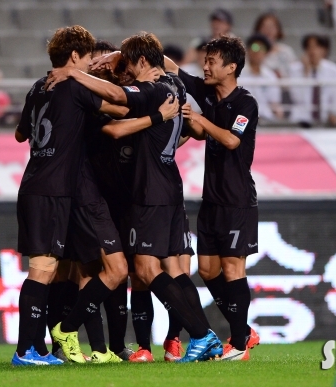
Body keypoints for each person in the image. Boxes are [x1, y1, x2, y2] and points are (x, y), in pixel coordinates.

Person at [47, 32, 224, 363]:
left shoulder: (149, 91)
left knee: (144, 268)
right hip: (171, 187)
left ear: (142, 62)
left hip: (149, 193)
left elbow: (116, 96)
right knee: (173, 268)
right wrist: (117, 52)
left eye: (127, 63)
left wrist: (73, 72)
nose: (122, 70)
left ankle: (202, 335)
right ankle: (203, 337)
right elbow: (164, 68)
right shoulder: (175, 85)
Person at [12, 25, 130, 366]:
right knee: (43, 269)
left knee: (48, 270)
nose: (91, 63)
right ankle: (25, 351)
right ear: (75, 56)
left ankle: (38, 349)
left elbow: (21, 134)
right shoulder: (76, 87)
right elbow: (121, 108)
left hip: (34, 182)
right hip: (53, 189)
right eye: (89, 57)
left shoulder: (38, 87)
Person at [162, 36, 261, 361]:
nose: (205, 66)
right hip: (212, 200)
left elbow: (232, 140)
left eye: (213, 61)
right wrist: (133, 52)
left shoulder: (245, 103)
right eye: (205, 60)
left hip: (237, 201)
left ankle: (240, 343)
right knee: (207, 269)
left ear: (231, 67)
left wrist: (202, 122)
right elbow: (175, 69)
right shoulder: (206, 91)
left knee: (233, 269)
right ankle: (243, 329)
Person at [289, 34, 336, 128]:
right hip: (300, 119)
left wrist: (334, 113)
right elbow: (297, 98)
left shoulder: (333, 69)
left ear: (324, 50)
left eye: (316, 46)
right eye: (309, 47)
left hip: (325, 119)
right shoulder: (294, 69)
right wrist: (306, 72)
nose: (312, 51)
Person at [241, 34, 283, 122]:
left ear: (266, 53)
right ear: (247, 50)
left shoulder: (270, 76)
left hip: (266, 120)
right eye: (255, 47)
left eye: (262, 48)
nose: (258, 51)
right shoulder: (237, 74)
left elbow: (274, 103)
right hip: (242, 121)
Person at [253, 13, 297, 79]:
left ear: (278, 30)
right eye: (264, 27)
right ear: (258, 30)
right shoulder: (253, 51)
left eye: (271, 27)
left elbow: (294, 74)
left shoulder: (287, 51)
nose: (268, 30)